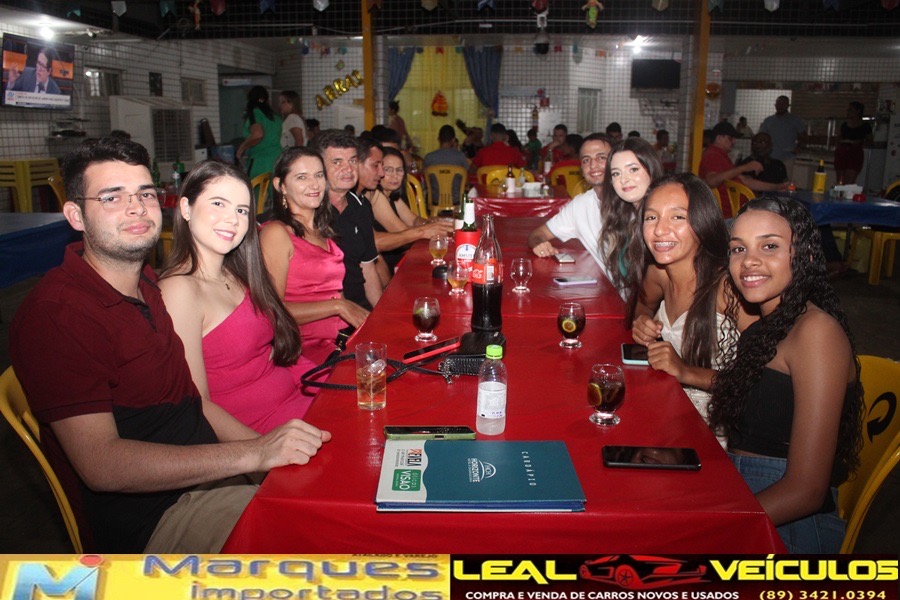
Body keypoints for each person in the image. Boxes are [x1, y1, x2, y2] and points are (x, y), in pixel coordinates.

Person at [9, 137, 330, 553]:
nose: (136, 208)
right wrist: (254, 455)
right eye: (111, 197)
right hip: (161, 514)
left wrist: (258, 455)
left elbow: (197, 400)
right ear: (75, 215)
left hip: (212, 474)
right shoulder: (58, 313)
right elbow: (101, 465)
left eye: (144, 194)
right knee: (325, 537)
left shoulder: (147, 285)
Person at [708, 196, 863, 554]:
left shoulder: (816, 333)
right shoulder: (764, 324)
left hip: (789, 522)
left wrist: (715, 528)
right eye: (738, 248)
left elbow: (806, 491)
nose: (749, 260)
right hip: (747, 489)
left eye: (770, 246)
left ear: (804, 255)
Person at [159, 161, 317, 433]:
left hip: (300, 404)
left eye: (241, 210)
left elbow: (277, 358)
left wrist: (329, 385)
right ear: (186, 208)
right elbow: (197, 404)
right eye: (218, 204)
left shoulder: (239, 273)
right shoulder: (179, 290)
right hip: (259, 435)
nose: (232, 219)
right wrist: (262, 451)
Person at [632, 174, 754, 428]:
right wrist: (641, 322)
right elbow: (642, 307)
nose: (660, 230)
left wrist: (686, 371)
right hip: (664, 408)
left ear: (703, 221)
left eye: (677, 217)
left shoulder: (728, 288)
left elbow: (760, 380)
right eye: (651, 217)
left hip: (716, 428)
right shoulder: (658, 273)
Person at [260, 146, 369, 365]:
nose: (314, 184)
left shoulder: (322, 231)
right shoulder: (276, 233)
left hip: (338, 341)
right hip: (303, 349)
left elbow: (332, 291)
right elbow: (272, 310)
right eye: (302, 177)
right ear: (280, 186)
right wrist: (338, 306)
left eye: (319, 175)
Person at [310, 129, 382, 310]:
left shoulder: (360, 206)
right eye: (337, 162)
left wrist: (380, 314)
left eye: (352, 161)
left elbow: (368, 268)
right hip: (325, 311)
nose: (348, 169)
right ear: (319, 167)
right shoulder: (310, 210)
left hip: (360, 307)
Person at [360, 138, 452, 275]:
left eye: (399, 170)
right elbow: (402, 233)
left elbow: (413, 220)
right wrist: (427, 230)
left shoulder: (391, 195)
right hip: (390, 262)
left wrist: (431, 224)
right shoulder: (375, 195)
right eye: (388, 170)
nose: (395, 176)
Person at [527, 133, 612, 270]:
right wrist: (540, 244)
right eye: (586, 160)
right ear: (581, 169)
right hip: (600, 281)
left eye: (601, 158)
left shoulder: (632, 203)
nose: (593, 165)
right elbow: (537, 234)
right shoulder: (579, 206)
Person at [698, 121, 765, 217]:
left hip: (737, 211)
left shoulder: (721, 156)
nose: (734, 141)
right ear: (719, 138)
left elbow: (744, 180)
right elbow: (711, 181)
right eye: (730, 138)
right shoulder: (712, 155)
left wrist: (777, 187)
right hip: (730, 215)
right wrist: (744, 168)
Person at [236, 86, 282, 182]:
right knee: (275, 188)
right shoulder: (275, 116)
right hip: (277, 157)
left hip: (260, 160)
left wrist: (242, 148)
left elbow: (258, 135)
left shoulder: (255, 113)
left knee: (256, 188)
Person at [759, 95, 805, 175]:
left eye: (783, 104)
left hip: (787, 158)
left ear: (788, 105)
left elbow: (803, 135)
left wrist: (799, 147)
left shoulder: (795, 120)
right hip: (770, 158)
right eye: (779, 104)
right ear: (775, 105)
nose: (780, 106)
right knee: (769, 179)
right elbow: (762, 137)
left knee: (785, 180)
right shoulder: (768, 121)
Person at [834, 101, 873, 185]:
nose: (848, 112)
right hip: (842, 152)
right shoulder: (844, 125)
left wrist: (860, 142)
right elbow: (838, 139)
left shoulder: (865, 126)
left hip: (855, 154)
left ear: (858, 111)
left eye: (850, 110)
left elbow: (870, 141)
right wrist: (838, 147)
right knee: (840, 180)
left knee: (849, 181)